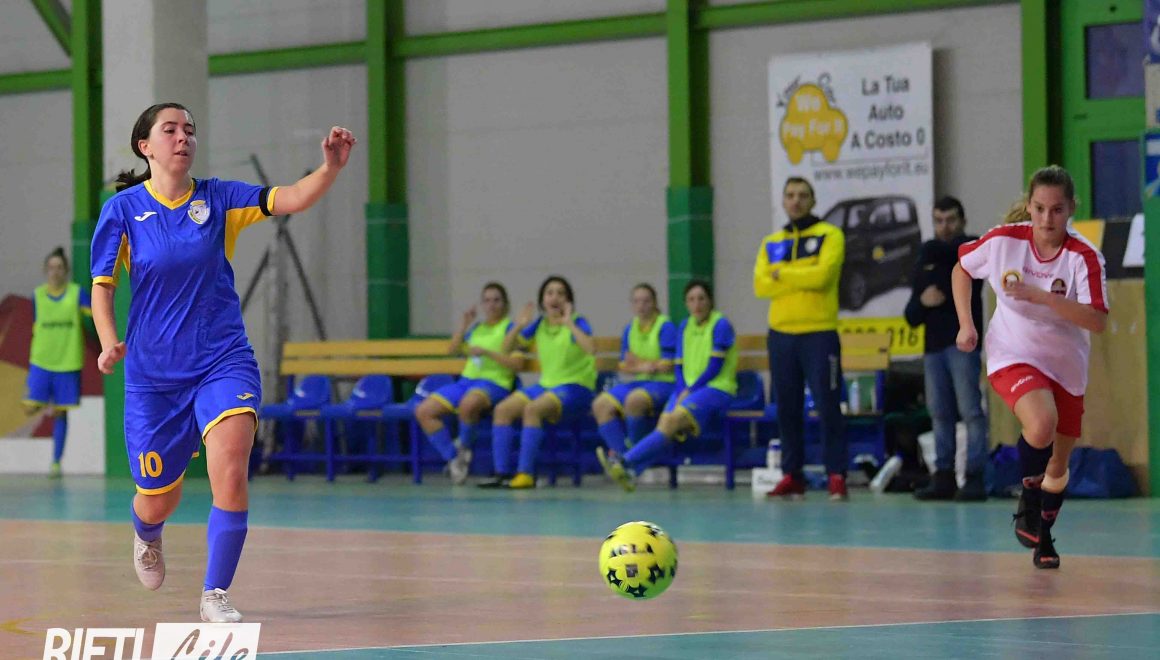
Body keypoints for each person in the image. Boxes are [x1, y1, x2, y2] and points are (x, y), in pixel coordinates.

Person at [90, 103, 356, 620]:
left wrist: (329, 169)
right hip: (154, 374)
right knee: (158, 498)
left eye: (189, 130)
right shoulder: (122, 210)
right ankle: (147, 532)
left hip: (222, 359)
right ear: (145, 146)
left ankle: (215, 593)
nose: (183, 138)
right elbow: (102, 287)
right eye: (170, 130)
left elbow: (291, 198)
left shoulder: (219, 198)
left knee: (231, 468)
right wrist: (107, 342)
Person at [954, 165, 1107, 569]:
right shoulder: (1004, 241)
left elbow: (1096, 320)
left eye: (1056, 210)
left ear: (1071, 209)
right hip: (1013, 352)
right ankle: (1028, 496)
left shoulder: (1084, 257)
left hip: (1066, 364)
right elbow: (962, 268)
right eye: (1039, 208)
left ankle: (1044, 538)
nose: (1047, 219)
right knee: (1041, 424)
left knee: (1058, 464)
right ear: (1028, 206)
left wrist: (1043, 296)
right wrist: (966, 324)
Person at [754, 177, 848, 501]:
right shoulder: (771, 242)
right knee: (787, 407)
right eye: (790, 195)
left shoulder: (830, 235)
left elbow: (822, 277)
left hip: (819, 333)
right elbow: (760, 285)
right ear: (783, 201)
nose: (796, 201)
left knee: (827, 405)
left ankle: (836, 474)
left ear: (813, 200)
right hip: (781, 334)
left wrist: (782, 273)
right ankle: (792, 475)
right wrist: (801, 273)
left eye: (803, 195)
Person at [598, 279, 737, 492]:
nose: (697, 304)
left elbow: (714, 367)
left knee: (671, 421)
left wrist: (689, 390)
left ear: (710, 301)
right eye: (691, 299)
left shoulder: (721, 325)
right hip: (687, 390)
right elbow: (679, 366)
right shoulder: (684, 326)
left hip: (716, 388)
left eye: (701, 299)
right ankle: (631, 469)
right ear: (686, 303)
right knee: (665, 424)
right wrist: (682, 390)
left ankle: (625, 462)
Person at [904, 196, 988, 501]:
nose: (945, 227)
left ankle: (975, 477)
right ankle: (943, 476)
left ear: (962, 221)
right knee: (939, 413)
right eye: (938, 221)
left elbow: (957, 260)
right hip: (933, 348)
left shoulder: (972, 250)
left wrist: (931, 258)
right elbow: (912, 313)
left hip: (962, 344)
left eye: (951, 220)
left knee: (970, 411)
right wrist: (924, 301)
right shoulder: (926, 257)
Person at [479, 275, 596, 489]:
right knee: (503, 409)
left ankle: (525, 474)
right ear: (543, 300)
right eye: (550, 293)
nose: (555, 297)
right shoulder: (539, 324)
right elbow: (505, 349)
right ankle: (501, 473)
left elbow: (591, 348)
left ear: (568, 300)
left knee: (532, 409)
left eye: (560, 293)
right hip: (546, 386)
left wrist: (569, 324)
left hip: (576, 387)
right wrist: (518, 326)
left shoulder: (578, 321)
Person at [414, 282, 522, 484]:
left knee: (468, 404)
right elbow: (452, 350)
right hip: (466, 382)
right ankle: (454, 458)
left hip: (495, 383)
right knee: (423, 411)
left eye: (496, 300)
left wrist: (487, 352)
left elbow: (516, 364)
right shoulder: (477, 329)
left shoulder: (510, 328)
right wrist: (464, 324)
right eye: (487, 301)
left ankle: (463, 447)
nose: (491, 305)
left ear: (505, 304)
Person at [24, 247, 92, 477]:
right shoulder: (37, 296)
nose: (55, 271)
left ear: (66, 270)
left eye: (60, 267)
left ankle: (55, 463)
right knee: (29, 407)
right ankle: (43, 403)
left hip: (68, 363)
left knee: (61, 413)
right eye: (51, 267)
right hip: (41, 361)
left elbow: (97, 315)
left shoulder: (77, 293)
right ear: (45, 270)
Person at [591, 283, 677, 464]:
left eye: (646, 301)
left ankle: (635, 458)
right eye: (637, 301)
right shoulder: (630, 329)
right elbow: (624, 366)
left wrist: (639, 363)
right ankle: (622, 457)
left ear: (655, 303)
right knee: (600, 404)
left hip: (665, 383)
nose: (641, 306)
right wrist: (646, 366)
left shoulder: (665, 327)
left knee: (634, 400)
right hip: (640, 382)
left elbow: (668, 364)